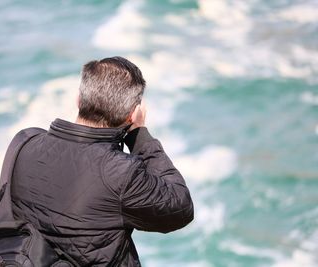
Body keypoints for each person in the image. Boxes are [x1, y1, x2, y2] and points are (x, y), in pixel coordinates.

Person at [10, 56, 194, 266]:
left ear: (79, 99)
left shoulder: (25, 142)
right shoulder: (122, 173)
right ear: (132, 114)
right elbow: (181, 208)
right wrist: (138, 135)